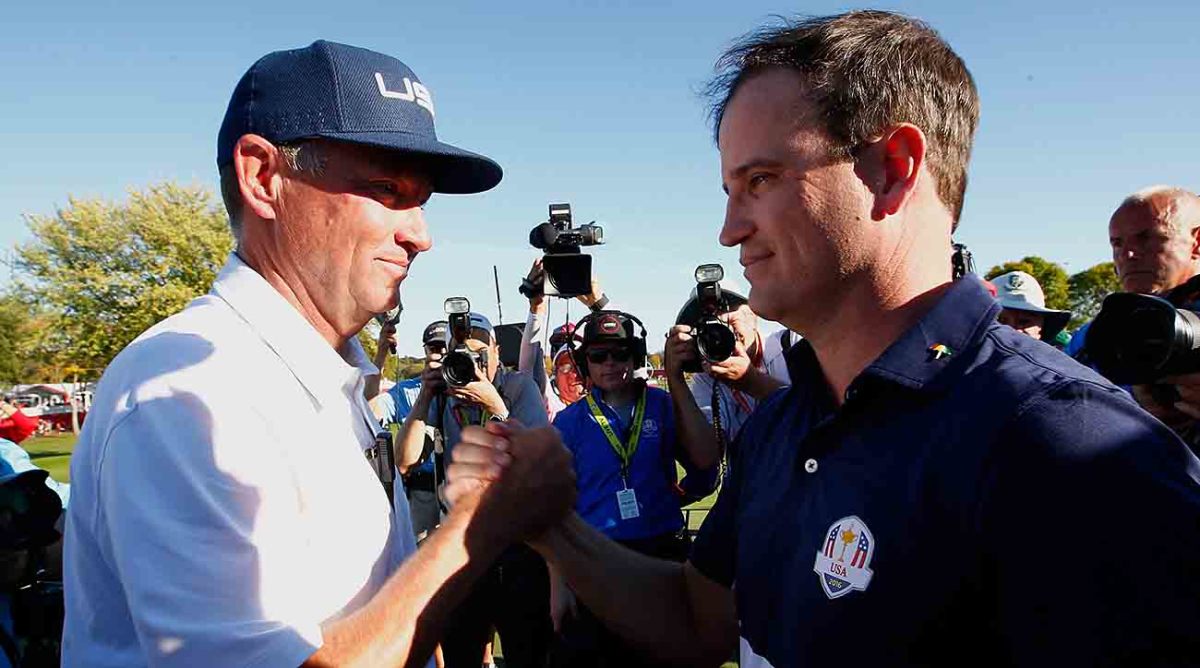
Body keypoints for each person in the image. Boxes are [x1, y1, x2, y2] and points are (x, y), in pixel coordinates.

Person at [446, 11, 1200, 667]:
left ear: (894, 169)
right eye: (730, 190)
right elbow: (697, 621)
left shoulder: (1069, 447)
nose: (729, 229)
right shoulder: (783, 421)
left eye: (763, 180)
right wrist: (549, 528)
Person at [62, 40, 576, 668]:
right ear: (262, 176)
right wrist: (476, 528)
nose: (420, 234)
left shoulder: (326, 371)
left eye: (421, 200)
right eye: (386, 189)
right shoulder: (186, 395)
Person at [546, 310, 719, 667]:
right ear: (584, 361)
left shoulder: (663, 405)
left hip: (660, 555)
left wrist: (676, 380)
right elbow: (556, 509)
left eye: (621, 353)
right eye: (598, 355)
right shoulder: (568, 422)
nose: (610, 363)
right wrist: (558, 583)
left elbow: (705, 463)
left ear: (636, 356)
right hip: (595, 557)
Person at [395, 312, 554, 668]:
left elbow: (535, 461)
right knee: (461, 652)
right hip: (462, 547)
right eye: (462, 354)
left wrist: (495, 406)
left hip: (517, 546)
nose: (471, 364)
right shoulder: (445, 394)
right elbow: (404, 460)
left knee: (527, 651)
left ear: (497, 352)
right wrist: (424, 398)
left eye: (480, 355)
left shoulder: (517, 387)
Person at [1073, 187, 1200, 440]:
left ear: (1196, 243)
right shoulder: (1093, 337)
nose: (1128, 255)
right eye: (1117, 243)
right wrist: (1125, 404)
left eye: (1147, 238)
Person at [666, 290, 786, 482]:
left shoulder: (790, 346)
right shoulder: (708, 377)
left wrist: (750, 381)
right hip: (755, 496)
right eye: (712, 328)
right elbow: (705, 458)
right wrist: (675, 376)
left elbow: (824, 414)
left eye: (729, 322)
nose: (722, 334)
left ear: (753, 315)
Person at [374, 320, 450, 542]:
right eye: (434, 348)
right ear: (425, 351)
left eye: (447, 346)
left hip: (459, 485)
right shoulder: (408, 390)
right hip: (421, 488)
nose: (442, 353)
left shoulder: (470, 386)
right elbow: (371, 409)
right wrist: (380, 356)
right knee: (419, 552)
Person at [518, 258, 607, 420]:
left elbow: (624, 360)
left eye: (582, 366)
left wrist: (598, 304)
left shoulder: (608, 406)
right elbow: (529, 369)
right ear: (554, 374)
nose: (576, 375)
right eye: (566, 368)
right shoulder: (550, 408)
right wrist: (536, 307)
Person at [990, 270, 1071, 342]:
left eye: (1024, 321)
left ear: (1041, 328)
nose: (1012, 330)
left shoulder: (1054, 359)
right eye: (1000, 320)